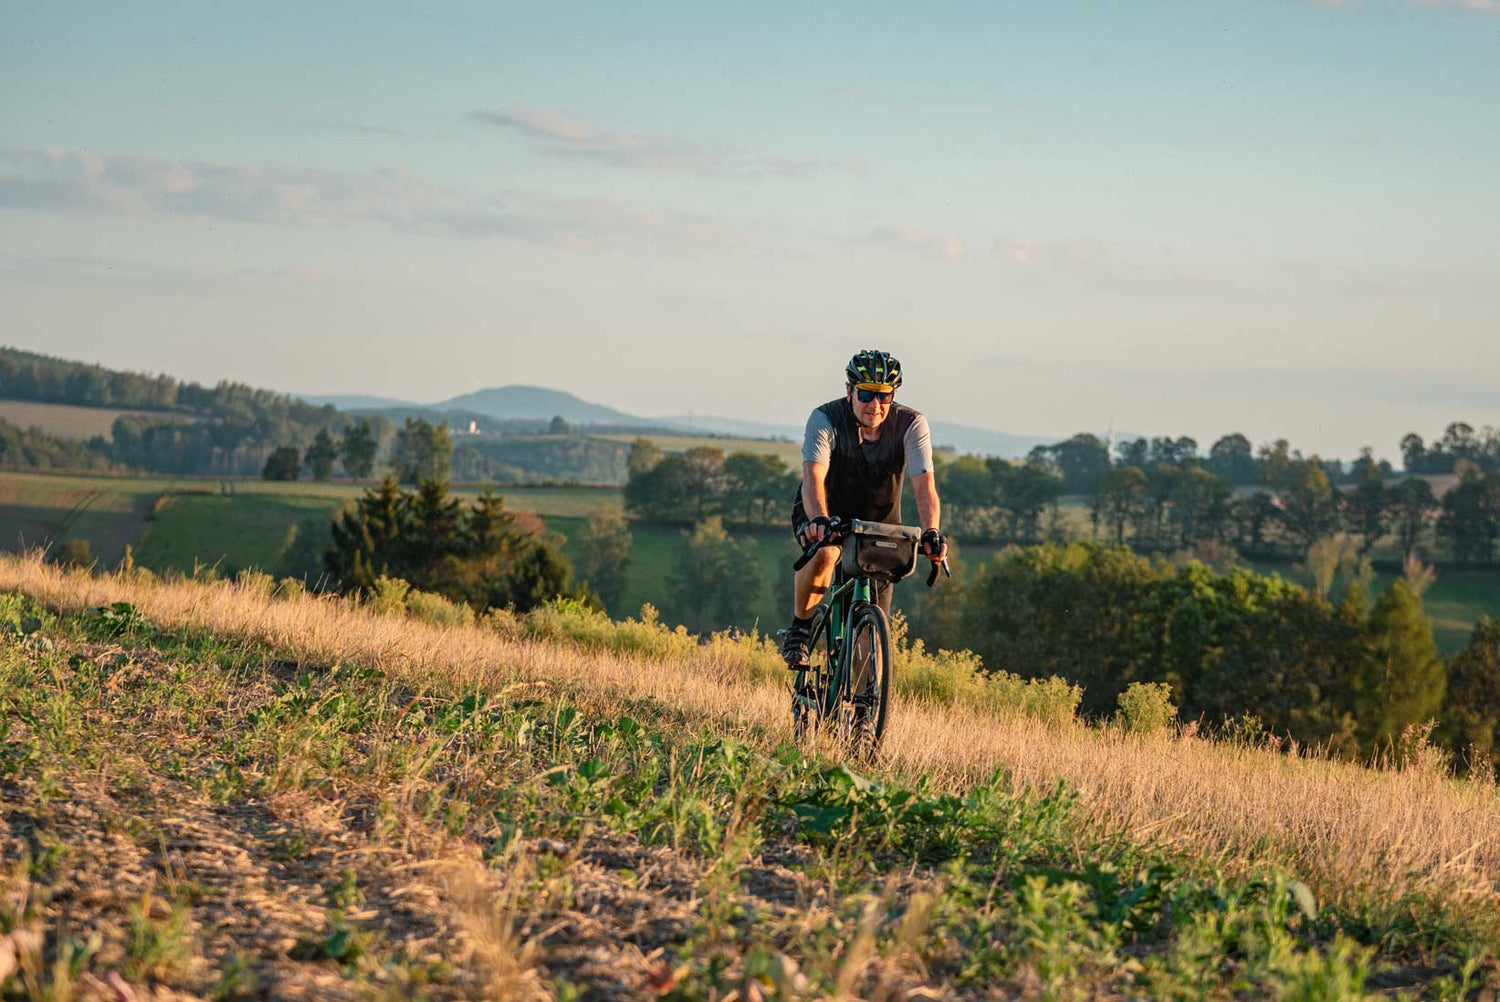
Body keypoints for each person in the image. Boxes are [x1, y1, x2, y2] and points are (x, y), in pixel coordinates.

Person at [780, 349, 948, 668]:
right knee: (826, 553)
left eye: (884, 396)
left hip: (878, 521)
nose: (875, 405)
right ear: (850, 391)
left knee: (871, 642)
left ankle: (863, 698)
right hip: (825, 511)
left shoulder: (912, 424)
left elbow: (925, 486)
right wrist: (819, 519)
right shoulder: (825, 418)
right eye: (867, 394)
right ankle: (800, 629)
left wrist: (932, 531)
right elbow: (813, 476)